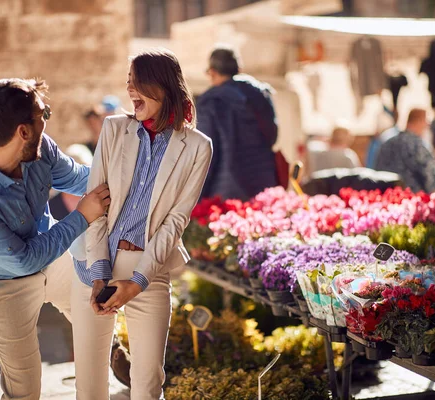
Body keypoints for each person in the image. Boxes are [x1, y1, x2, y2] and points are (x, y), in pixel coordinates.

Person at [0, 78, 110, 400]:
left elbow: (77, 179)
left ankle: (110, 362)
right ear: (23, 131)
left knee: (96, 313)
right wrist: (83, 217)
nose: (47, 119)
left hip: (51, 253)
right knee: (25, 390)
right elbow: (23, 260)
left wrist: (127, 175)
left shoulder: (40, 147)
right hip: (2, 286)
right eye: (43, 114)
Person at [70, 48, 212, 399]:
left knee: (148, 383)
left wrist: (136, 282)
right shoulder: (114, 129)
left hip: (148, 269)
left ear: (163, 86)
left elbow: (175, 221)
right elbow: (95, 206)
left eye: (138, 82)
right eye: (128, 82)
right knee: (89, 385)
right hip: (94, 263)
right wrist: (100, 273)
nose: (130, 90)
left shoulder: (197, 147)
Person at [197, 44, 279, 200]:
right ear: (238, 69)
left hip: (227, 189)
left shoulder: (210, 102)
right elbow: (272, 137)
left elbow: (206, 153)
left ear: (213, 72)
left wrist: (198, 196)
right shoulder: (261, 95)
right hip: (263, 184)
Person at [375, 108, 435, 195]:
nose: (428, 125)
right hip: (414, 203)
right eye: (426, 121)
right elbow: (433, 182)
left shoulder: (387, 143)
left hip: (386, 201)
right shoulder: (419, 146)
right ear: (419, 121)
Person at [49, 144, 94, 220]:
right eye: (77, 174)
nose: (81, 178)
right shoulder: (52, 207)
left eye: (85, 173)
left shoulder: (98, 199)